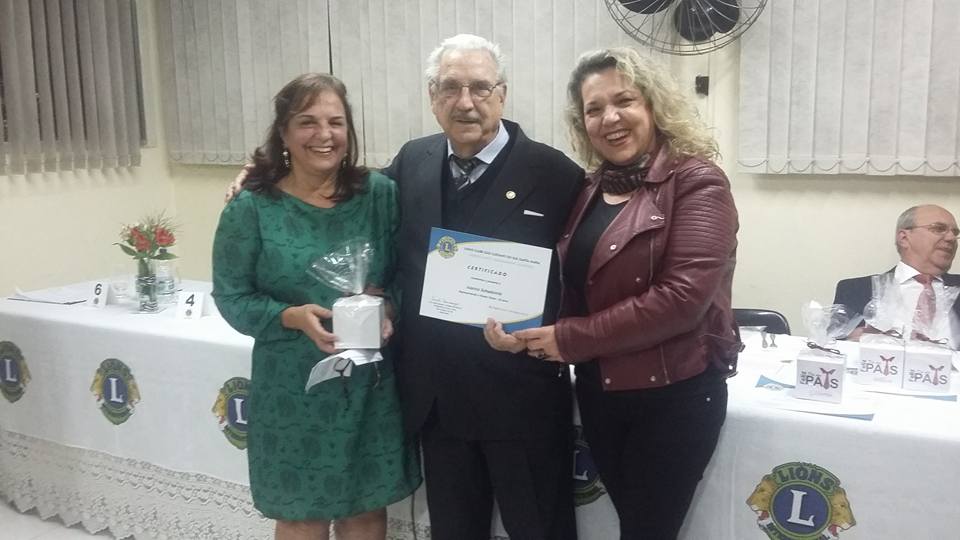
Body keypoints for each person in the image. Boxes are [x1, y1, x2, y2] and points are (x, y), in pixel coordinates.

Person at [485, 47, 740, 540]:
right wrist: (524, 332)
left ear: (653, 105)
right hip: (602, 392)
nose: (610, 118)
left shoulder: (697, 182)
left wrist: (568, 339)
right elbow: (577, 288)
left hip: (673, 396)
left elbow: (681, 301)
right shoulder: (589, 188)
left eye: (624, 101)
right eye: (594, 109)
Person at [382, 34, 584, 540]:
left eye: (480, 87)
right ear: (432, 97)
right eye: (450, 88)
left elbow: (586, 276)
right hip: (439, 402)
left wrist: (552, 331)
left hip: (520, 400)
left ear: (502, 94)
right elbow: (354, 201)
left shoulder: (557, 174)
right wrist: (271, 175)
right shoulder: (413, 160)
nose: (465, 102)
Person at [212, 73, 420, 540]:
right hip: (292, 389)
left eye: (335, 122)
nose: (324, 135)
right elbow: (231, 297)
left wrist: (390, 310)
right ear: (283, 133)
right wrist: (289, 316)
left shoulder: (379, 195)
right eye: (307, 122)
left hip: (370, 385)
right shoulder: (251, 208)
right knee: (300, 515)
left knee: (366, 508)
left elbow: (409, 275)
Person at [834, 204, 959, 342]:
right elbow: (833, 347)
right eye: (938, 229)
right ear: (904, 238)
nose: (951, 238)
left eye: (955, 233)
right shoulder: (854, 290)